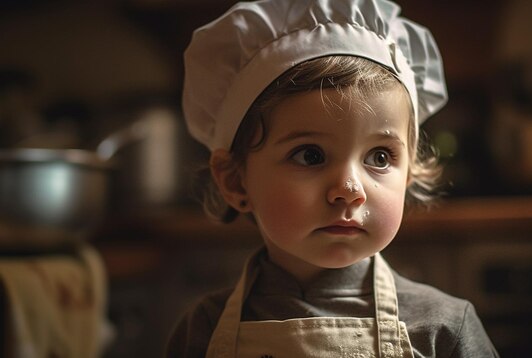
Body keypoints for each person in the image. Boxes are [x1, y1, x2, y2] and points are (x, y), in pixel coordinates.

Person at [167, 0, 499, 357]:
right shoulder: (202, 330)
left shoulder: (443, 329)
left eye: (380, 157)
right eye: (310, 155)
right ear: (235, 181)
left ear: (408, 174)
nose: (349, 190)